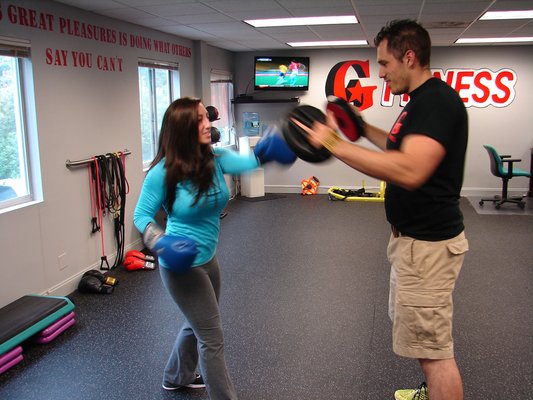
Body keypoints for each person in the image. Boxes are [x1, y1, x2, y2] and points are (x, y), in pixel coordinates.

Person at [293, 19, 469, 400]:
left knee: (434, 353)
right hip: (414, 244)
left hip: (427, 249)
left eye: (385, 64)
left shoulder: (436, 102)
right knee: (423, 344)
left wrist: (334, 145)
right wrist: (360, 129)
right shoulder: (421, 102)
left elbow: (410, 169)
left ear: (409, 57)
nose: (380, 73)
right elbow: (400, 148)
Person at [133, 97, 295, 399]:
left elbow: (250, 162)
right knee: (212, 336)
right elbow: (141, 215)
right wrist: (160, 241)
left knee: (197, 322)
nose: (208, 123)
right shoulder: (163, 173)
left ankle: (175, 376)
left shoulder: (216, 158)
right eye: (199, 119)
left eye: (207, 117)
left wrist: (267, 152)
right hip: (181, 264)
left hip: (208, 258)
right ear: (182, 128)